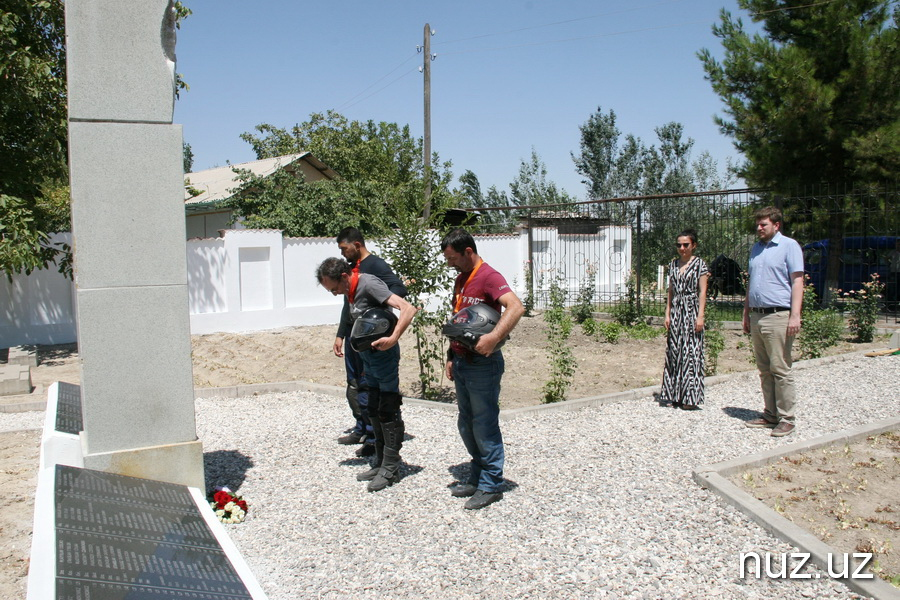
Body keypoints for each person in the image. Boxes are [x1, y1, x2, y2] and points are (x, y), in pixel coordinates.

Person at [316, 257, 417, 491]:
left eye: (334, 289)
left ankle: (391, 467)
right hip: (367, 357)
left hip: (384, 356)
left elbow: (408, 309)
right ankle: (380, 462)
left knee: (387, 407)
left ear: (344, 276)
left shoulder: (369, 284)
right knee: (372, 405)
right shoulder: (349, 290)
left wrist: (393, 338)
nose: (334, 294)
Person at [441, 228, 525, 510]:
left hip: (483, 365)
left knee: (484, 423)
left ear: (468, 251)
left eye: (453, 258)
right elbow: (459, 320)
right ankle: (478, 476)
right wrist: (451, 355)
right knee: (466, 423)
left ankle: (491, 485)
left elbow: (516, 307)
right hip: (463, 361)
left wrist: (493, 338)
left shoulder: (490, 276)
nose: (450, 263)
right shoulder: (461, 280)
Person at [333, 228, 407, 458]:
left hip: (371, 338)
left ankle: (377, 440)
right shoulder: (349, 269)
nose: (344, 254)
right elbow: (349, 306)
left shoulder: (375, 266)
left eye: (345, 249)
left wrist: (377, 314)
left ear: (357, 244)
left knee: (372, 388)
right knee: (355, 384)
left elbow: (398, 290)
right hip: (354, 336)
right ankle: (362, 428)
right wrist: (341, 334)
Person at [742, 206, 804, 438]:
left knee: (780, 368)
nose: (758, 228)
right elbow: (752, 284)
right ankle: (770, 414)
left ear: (776, 225)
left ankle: (787, 418)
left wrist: (795, 315)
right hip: (757, 315)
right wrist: (747, 312)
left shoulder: (789, 246)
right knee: (764, 369)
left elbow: (797, 281)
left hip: (778, 315)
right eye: (757, 224)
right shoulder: (756, 248)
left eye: (763, 224)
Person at [660, 229, 709, 410]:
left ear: (693, 245)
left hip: (692, 310)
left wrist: (700, 315)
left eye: (686, 245)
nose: (682, 248)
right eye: (679, 245)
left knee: (691, 353)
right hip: (676, 311)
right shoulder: (673, 265)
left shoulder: (699, 265)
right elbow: (670, 291)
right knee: (675, 351)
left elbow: (703, 291)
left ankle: (690, 397)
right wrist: (667, 313)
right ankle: (675, 394)